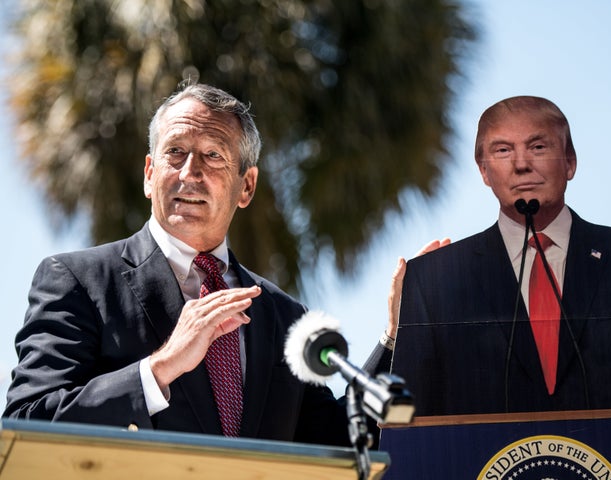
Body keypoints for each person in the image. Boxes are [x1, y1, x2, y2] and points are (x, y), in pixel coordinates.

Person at [3, 82, 396, 446]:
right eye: (175, 152)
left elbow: (341, 443)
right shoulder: (77, 281)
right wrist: (159, 369)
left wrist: (395, 337)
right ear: (149, 173)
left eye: (213, 155)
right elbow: (27, 425)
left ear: (246, 186)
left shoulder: (284, 316)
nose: (190, 172)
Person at [389, 96, 611, 416]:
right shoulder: (434, 280)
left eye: (538, 147)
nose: (521, 164)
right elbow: (405, 420)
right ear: (484, 171)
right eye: (503, 150)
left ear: (570, 162)